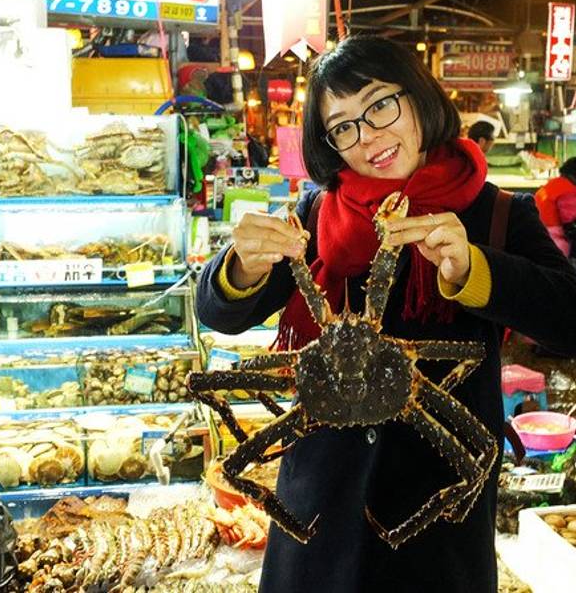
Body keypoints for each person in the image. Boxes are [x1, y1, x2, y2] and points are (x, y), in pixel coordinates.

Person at [196, 35, 576, 593]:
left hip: (438, 531)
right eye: (343, 126)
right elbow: (218, 313)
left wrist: (475, 270)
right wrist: (239, 266)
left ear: (418, 97)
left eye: (379, 105)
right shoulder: (316, 216)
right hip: (316, 521)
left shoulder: (498, 215)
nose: (367, 136)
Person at [534, 157, 576, 256]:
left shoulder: (553, 184)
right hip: (554, 236)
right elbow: (569, 219)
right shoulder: (568, 190)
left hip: (537, 230)